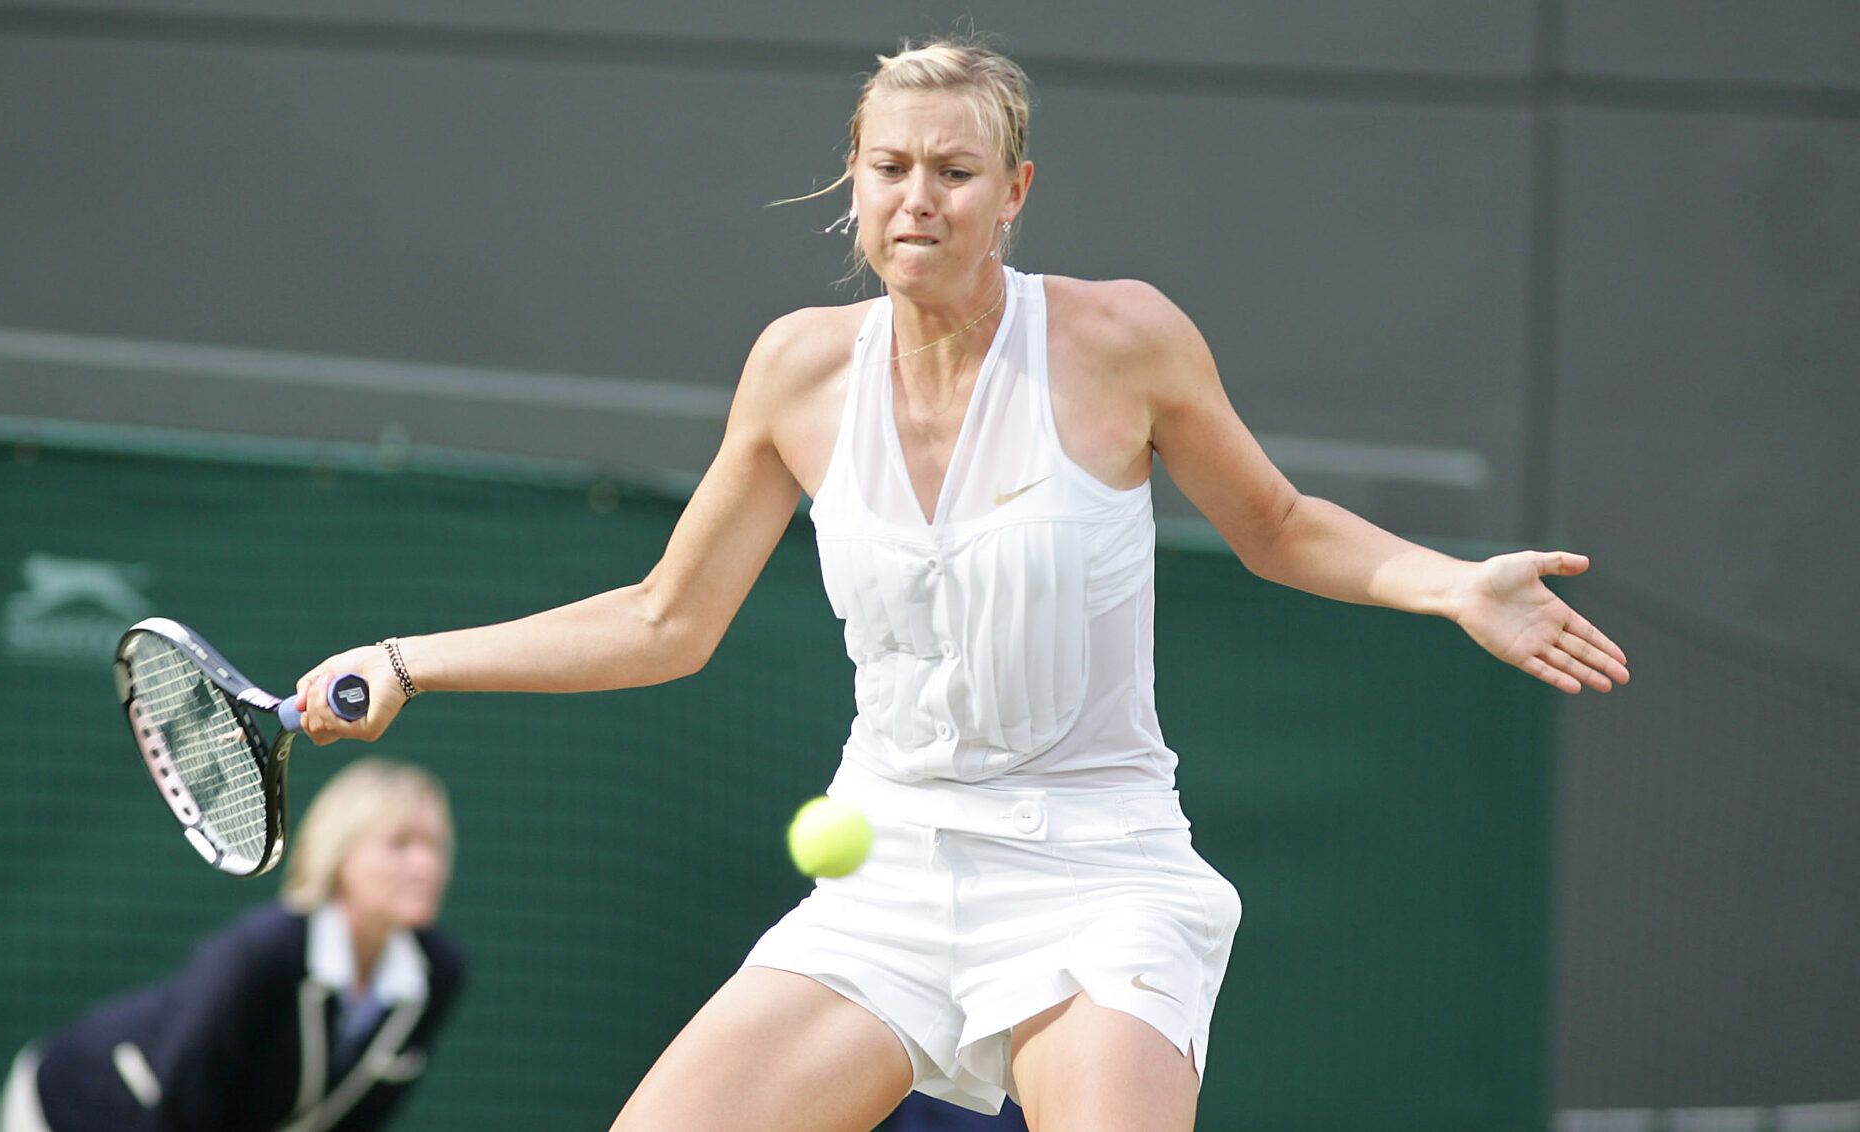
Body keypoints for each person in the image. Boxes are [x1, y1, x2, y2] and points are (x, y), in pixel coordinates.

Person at [289, 36, 1628, 1132]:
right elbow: (664, 619)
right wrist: (412, 659)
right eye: (888, 167)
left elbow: (1277, 526)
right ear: (852, 184)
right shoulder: (798, 370)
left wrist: (1447, 583)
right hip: (893, 866)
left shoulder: (1121, 341)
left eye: (954, 170)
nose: (916, 197)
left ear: (1015, 193)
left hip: (1101, 871)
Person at [0, 759, 465, 1132]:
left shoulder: (437, 974)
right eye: (399, 844)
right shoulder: (261, 953)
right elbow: (180, 1106)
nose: (425, 865)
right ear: (341, 854)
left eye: (436, 845)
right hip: (80, 1105)